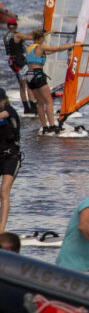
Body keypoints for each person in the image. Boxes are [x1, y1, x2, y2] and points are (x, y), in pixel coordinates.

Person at [18, 29, 79, 134]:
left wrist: (50, 34)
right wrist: (75, 45)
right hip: (38, 75)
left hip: (29, 76)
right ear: (41, 39)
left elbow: (53, 51)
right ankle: (52, 126)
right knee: (49, 101)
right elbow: (59, 48)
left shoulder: (30, 48)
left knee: (40, 103)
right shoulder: (40, 47)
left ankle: (45, 127)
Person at [0, 88, 21, 233]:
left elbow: (3, 115)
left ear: (3, 100)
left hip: (11, 157)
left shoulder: (9, 110)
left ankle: (1, 231)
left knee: (3, 192)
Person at [3, 19, 34, 115]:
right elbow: (29, 37)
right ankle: (33, 107)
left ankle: (26, 108)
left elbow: (23, 37)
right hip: (20, 62)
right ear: (16, 26)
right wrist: (43, 33)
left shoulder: (6, 36)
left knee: (21, 85)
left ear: (8, 26)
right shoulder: (17, 35)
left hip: (13, 62)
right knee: (29, 84)